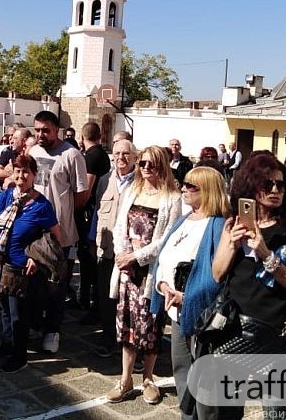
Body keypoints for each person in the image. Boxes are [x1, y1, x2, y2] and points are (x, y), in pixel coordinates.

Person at [212, 152, 286, 419]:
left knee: (277, 413)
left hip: (274, 332)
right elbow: (218, 274)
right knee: (227, 411)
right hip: (235, 329)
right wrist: (232, 245)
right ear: (251, 187)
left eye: (281, 185)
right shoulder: (233, 224)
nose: (276, 190)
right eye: (268, 185)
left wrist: (267, 255)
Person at [146, 167, 230, 416]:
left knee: (205, 381)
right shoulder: (184, 219)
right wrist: (161, 284)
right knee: (182, 371)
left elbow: (219, 275)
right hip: (177, 310)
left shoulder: (218, 225)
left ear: (208, 190)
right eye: (183, 184)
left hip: (202, 314)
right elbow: (164, 257)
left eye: (191, 186)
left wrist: (187, 296)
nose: (183, 188)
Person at [108, 145, 181, 405]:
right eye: (143, 164)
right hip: (127, 271)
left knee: (150, 327)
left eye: (152, 164)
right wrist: (122, 254)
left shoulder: (172, 198)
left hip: (150, 272)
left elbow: (165, 239)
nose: (146, 168)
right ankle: (126, 379)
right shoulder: (132, 190)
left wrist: (136, 257)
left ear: (162, 166)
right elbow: (119, 227)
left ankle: (148, 379)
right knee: (126, 326)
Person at [0, 154, 62, 373]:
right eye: (17, 171)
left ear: (34, 174)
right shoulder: (6, 196)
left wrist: (36, 258)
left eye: (26, 171)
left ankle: (20, 354)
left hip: (20, 267)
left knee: (18, 312)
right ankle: (7, 344)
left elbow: (55, 238)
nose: (21, 175)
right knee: (5, 308)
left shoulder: (41, 205)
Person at [27, 110, 88, 354]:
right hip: (33, 230)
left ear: (56, 130)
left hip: (60, 232)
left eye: (46, 130)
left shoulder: (72, 155)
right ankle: (33, 324)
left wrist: (61, 212)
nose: (41, 134)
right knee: (32, 281)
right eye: (37, 130)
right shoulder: (33, 152)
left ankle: (53, 330)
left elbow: (81, 195)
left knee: (56, 284)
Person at [92, 139, 137, 357]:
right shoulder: (104, 181)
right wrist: (93, 238)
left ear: (134, 157)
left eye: (126, 153)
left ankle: (129, 342)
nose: (121, 157)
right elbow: (97, 212)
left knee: (128, 299)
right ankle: (108, 337)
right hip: (105, 248)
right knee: (105, 297)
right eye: (117, 153)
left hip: (129, 252)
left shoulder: (141, 182)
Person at [78, 122, 111, 316]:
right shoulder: (101, 154)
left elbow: (87, 189)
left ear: (82, 137)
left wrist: (77, 206)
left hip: (90, 213)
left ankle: (92, 302)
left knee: (90, 257)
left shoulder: (92, 156)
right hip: (96, 210)